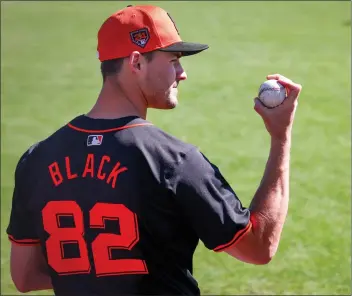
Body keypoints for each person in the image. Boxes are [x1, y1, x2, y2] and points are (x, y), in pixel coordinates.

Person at [6, 4, 302, 296]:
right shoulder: (175, 162)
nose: (182, 72)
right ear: (136, 63)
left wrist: (95, 273)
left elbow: (25, 276)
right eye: (173, 59)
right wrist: (281, 137)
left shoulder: (37, 159)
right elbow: (259, 247)